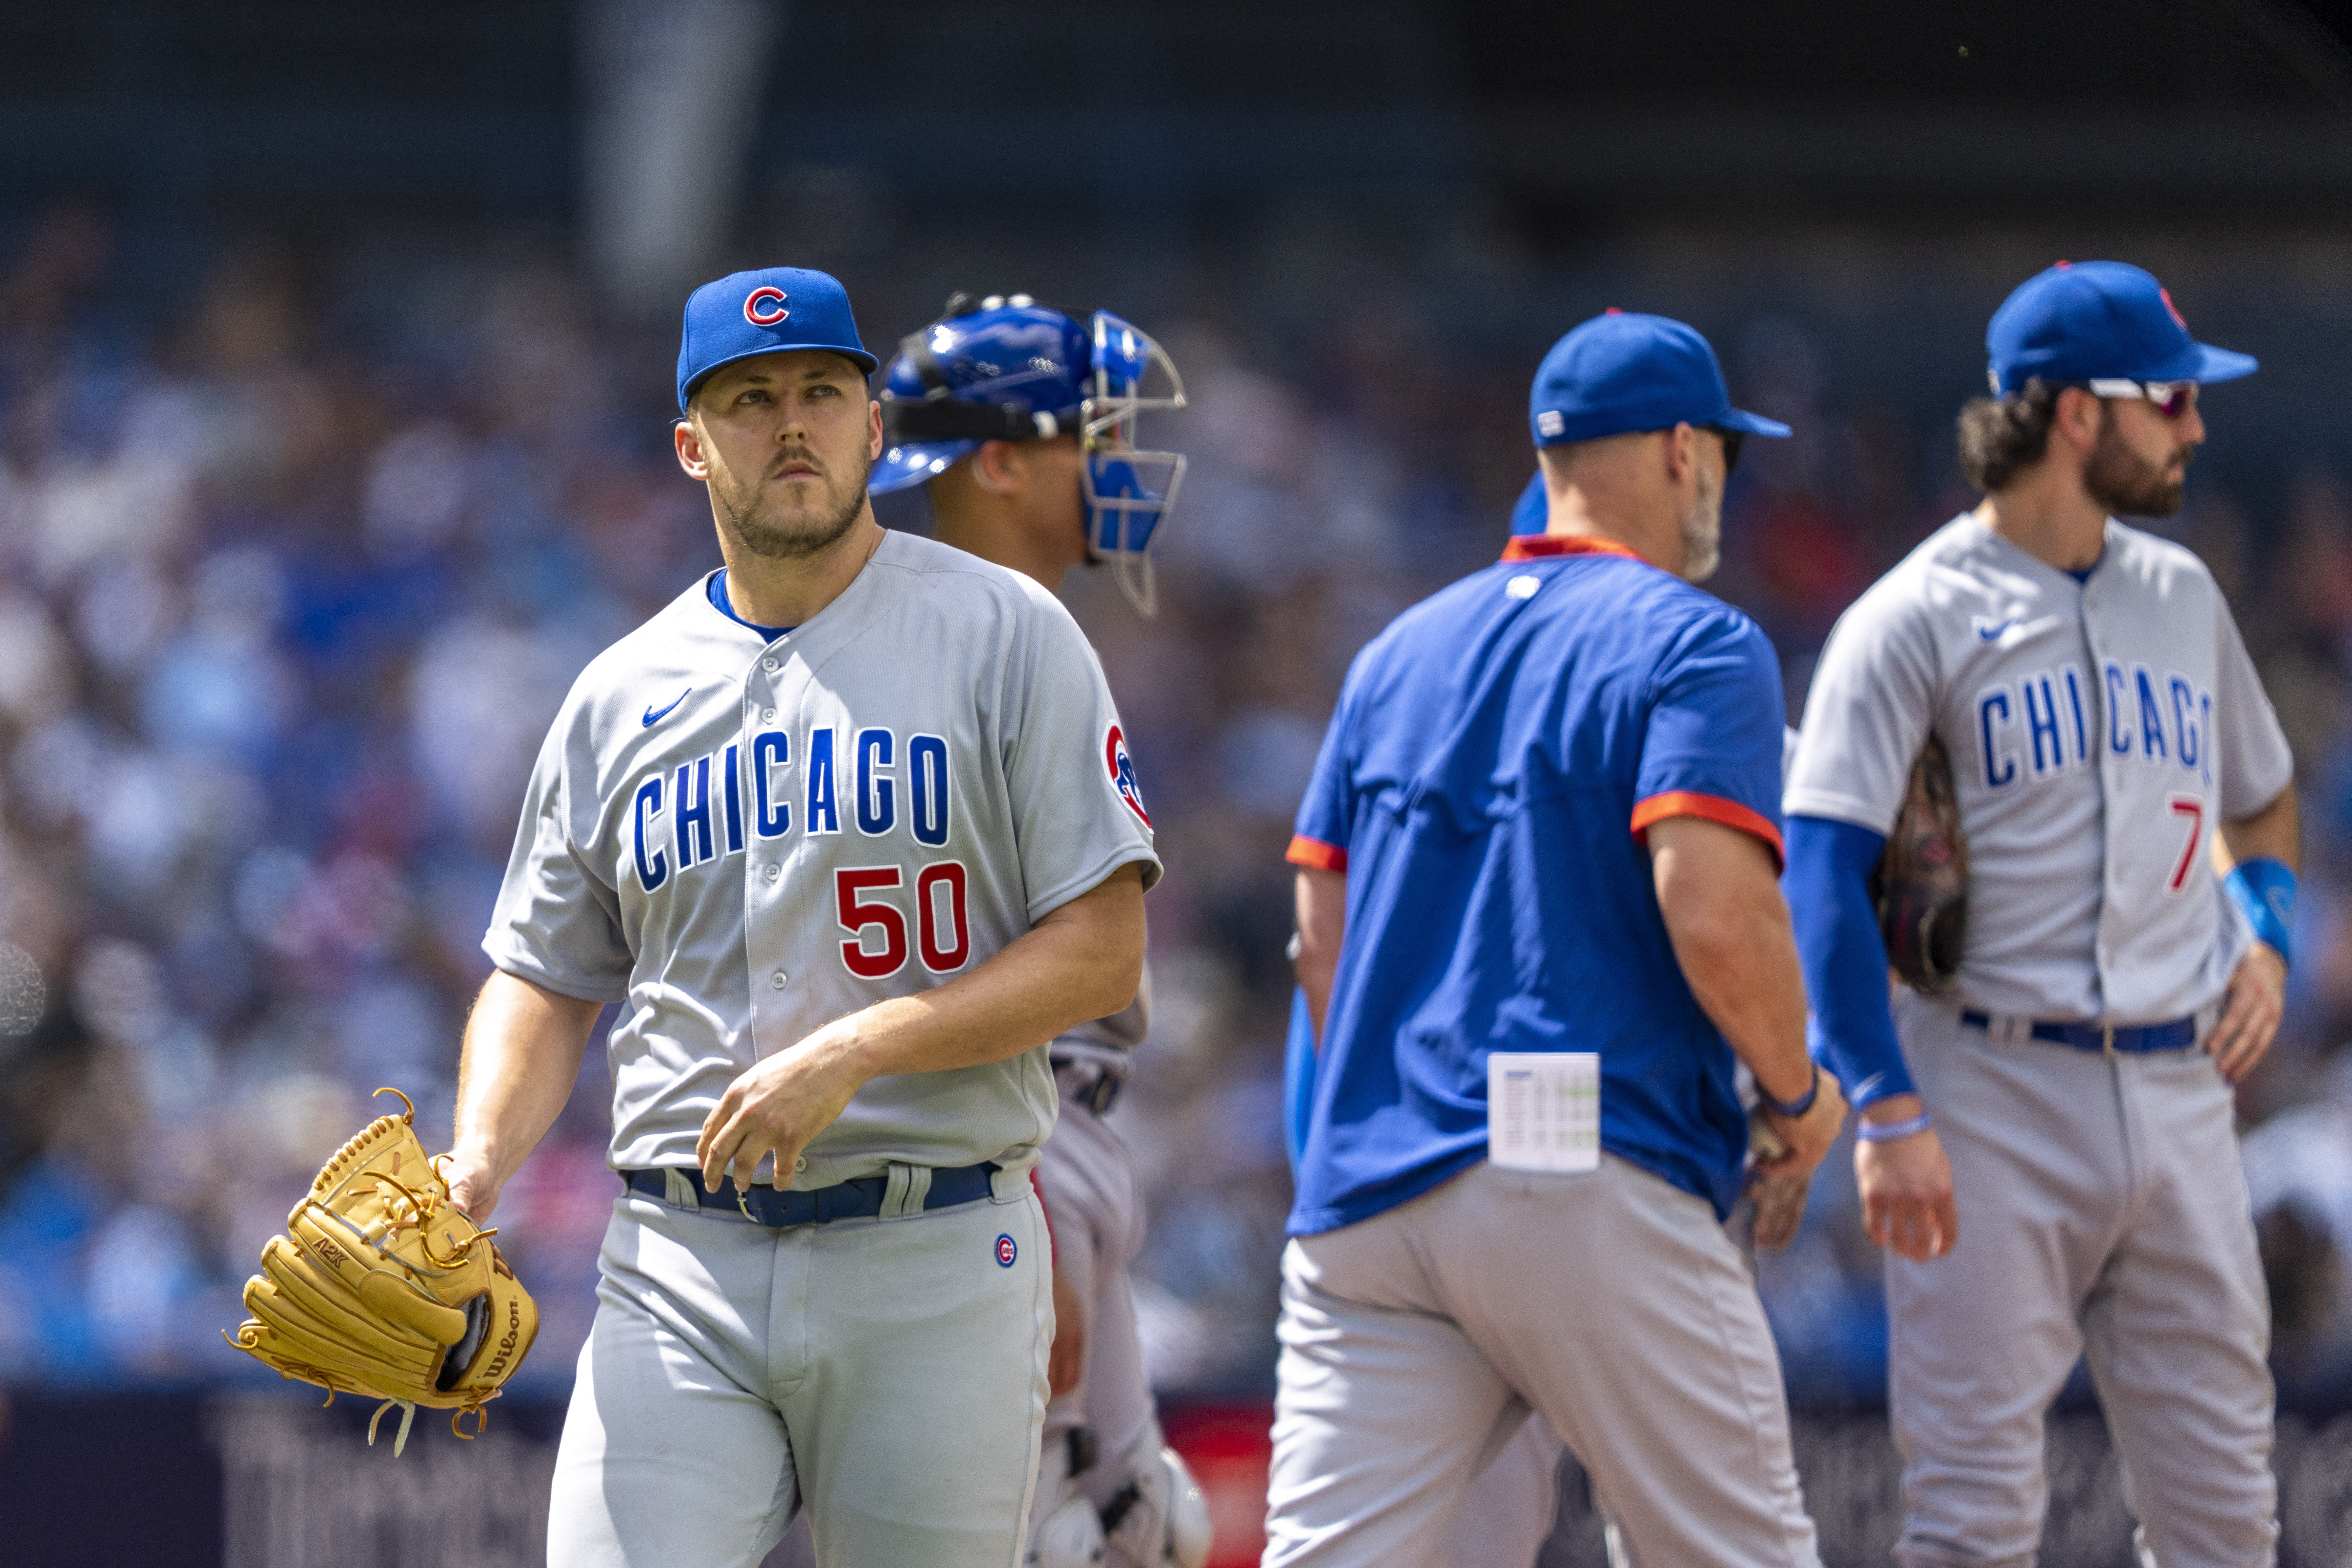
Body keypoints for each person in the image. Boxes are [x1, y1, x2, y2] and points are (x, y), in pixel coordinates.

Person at [443, 266, 1160, 1568]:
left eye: (822, 392)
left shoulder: (1007, 633)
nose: (790, 424)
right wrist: (476, 1166)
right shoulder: (618, 696)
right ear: (688, 444)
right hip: (679, 1264)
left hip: (933, 1248)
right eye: (749, 398)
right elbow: (543, 978)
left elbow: (1104, 949)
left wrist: (863, 1046)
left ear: (875, 424)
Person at [1266, 309, 1847, 1567]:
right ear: (1687, 452)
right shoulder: (1700, 640)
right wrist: (1800, 1094)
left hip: (1372, 1206)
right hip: (1582, 1160)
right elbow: (1714, 908)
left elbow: (1322, 937)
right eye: (1726, 458)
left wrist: (1408, 1092)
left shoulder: (1394, 654)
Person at [1783, 259, 2294, 1567]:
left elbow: (2262, 793)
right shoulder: (1909, 618)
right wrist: (1885, 1106)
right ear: (2073, 414)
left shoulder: (2181, 596)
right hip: (1986, 1085)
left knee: (2225, 1519)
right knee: (1969, 1520)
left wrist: (2267, 934)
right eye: (2167, 399)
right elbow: (1821, 873)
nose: (2191, 424)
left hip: (2180, 1086)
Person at [777, 290, 1208, 1568]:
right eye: (1090, 435)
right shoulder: (936, 653)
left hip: (1056, 1136)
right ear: (1001, 462)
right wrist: (1012, 1222)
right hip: (999, 1149)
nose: (1117, 467)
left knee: (1143, 1532)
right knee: (1042, 1544)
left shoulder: (991, 633)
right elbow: (921, 958)